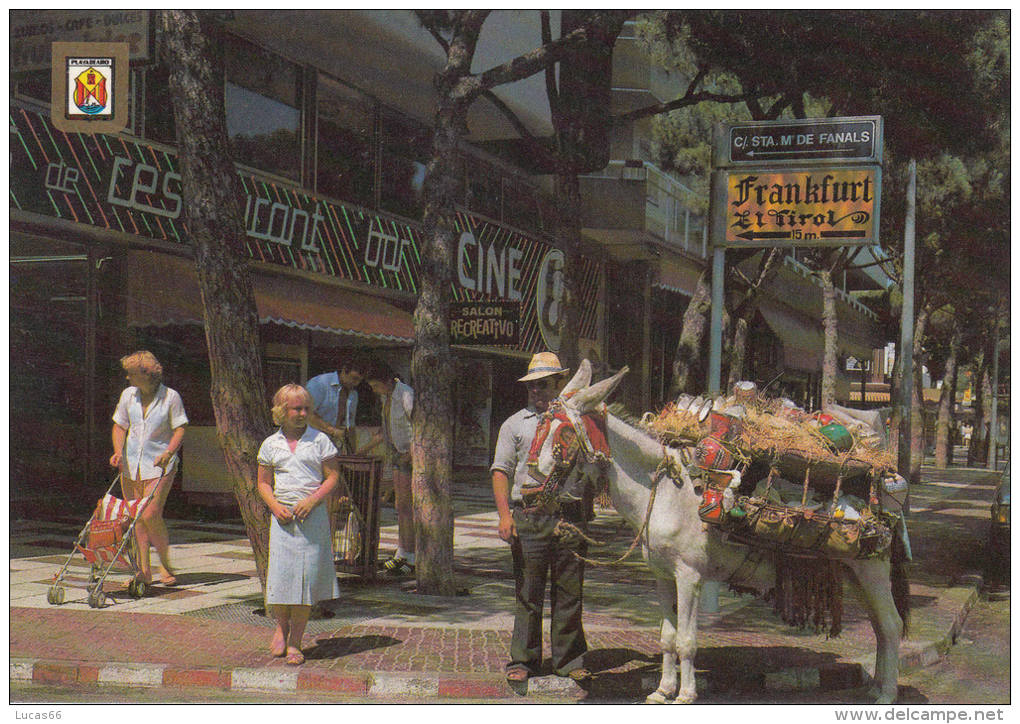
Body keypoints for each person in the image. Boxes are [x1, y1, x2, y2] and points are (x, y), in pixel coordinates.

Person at [491, 351, 591, 685]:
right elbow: (501, 471)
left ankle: (569, 660)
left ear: (558, 384)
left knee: (569, 591)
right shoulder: (514, 424)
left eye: (544, 384)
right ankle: (523, 659)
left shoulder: (577, 424)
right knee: (528, 593)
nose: (537, 391)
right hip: (529, 517)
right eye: (532, 386)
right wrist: (505, 516)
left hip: (569, 516)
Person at [257, 384, 341, 666]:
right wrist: (274, 506)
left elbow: (332, 477)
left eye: (306, 408)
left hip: (311, 517)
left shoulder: (320, 441)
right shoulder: (270, 444)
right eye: (296, 409)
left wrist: (313, 500)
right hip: (282, 518)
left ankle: (296, 642)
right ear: (282, 411)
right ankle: (280, 629)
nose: (303, 413)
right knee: (281, 577)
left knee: (305, 579)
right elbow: (263, 483)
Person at [110, 351, 188, 588]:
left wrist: (169, 452)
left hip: (160, 465)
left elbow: (181, 428)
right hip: (130, 464)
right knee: (136, 518)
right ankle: (143, 571)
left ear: (145, 374)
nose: (127, 377)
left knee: (150, 513)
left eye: (131, 373)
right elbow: (119, 426)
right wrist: (117, 451)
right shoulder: (128, 395)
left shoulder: (170, 397)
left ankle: (164, 563)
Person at [357, 360, 415, 575]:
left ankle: (413, 555)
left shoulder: (406, 395)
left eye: (375, 386)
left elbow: (417, 427)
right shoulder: (386, 398)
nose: (374, 390)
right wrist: (362, 450)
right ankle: (402, 551)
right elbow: (386, 431)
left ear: (386, 381)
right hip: (397, 456)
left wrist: (410, 455)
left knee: (409, 507)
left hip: (410, 457)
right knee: (401, 506)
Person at [305, 355, 367, 455]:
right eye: (354, 378)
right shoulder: (319, 384)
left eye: (359, 380)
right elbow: (306, 414)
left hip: (333, 448)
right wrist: (332, 431)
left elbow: (350, 426)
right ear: (344, 371)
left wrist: (352, 454)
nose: (356, 383)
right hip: (310, 444)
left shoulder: (353, 394)